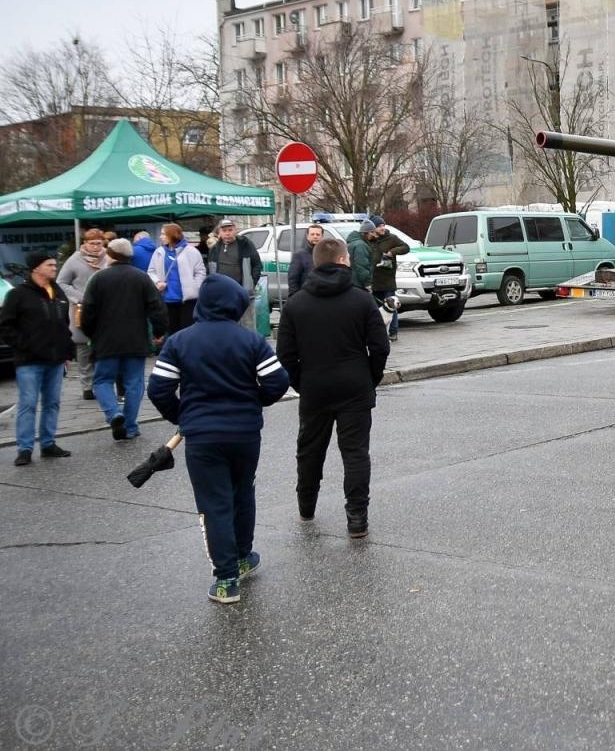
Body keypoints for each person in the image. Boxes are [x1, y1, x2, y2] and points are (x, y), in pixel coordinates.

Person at [147, 275, 291, 604]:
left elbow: (158, 389)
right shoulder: (251, 341)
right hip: (245, 433)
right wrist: (255, 402)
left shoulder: (179, 342)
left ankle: (226, 579)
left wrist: (181, 416)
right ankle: (243, 556)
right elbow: (278, 382)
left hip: (202, 436)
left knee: (215, 504)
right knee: (242, 493)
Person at [277, 236, 390, 538]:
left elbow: (285, 355)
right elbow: (380, 346)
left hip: (314, 387)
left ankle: (306, 506)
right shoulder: (362, 300)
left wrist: (301, 382)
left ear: (316, 263)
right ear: (342, 260)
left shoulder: (296, 304)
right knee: (355, 453)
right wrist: (370, 378)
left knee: (309, 451)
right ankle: (357, 518)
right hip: (355, 385)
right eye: (348, 258)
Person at [79, 238, 167, 441]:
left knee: (102, 380)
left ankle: (114, 413)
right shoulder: (142, 278)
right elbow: (157, 308)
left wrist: (91, 333)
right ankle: (130, 426)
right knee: (134, 383)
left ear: (111, 255)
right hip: (136, 340)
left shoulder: (98, 279)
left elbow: (88, 311)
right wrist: (159, 331)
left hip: (106, 340)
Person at [0, 251, 75, 466]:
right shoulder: (18, 294)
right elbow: (5, 325)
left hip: (55, 360)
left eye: (54, 265)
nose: (54, 268)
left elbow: (63, 325)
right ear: (36, 268)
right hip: (29, 361)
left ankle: (48, 444)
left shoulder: (57, 292)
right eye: (49, 265)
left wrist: (66, 351)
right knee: (28, 404)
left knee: (52, 403)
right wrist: (24, 345)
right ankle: (25, 448)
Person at [57, 228, 109, 401]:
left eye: (99, 243)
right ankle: (87, 386)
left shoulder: (108, 258)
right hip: (81, 309)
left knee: (104, 345)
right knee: (83, 347)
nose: (95, 247)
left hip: (104, 308)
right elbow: (61, 282)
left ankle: (103, 383)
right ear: (85, 243)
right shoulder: (74, 259)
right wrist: (79, 297)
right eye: (92, 243)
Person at [148, 223, 206, 334]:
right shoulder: (159, 252)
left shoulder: (191, 251)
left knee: (187, 332)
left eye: (163, 234)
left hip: (187, 300)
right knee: (172, 332)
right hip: (167, 299)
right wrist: (157, 282)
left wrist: (195, 287)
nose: (160, 237)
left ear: (172, 235)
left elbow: (200, 272)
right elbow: (151, 271)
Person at [365, 216, 410, 340]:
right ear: (373, 228)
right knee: (375, 309)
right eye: (379, 226)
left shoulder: (391, 238)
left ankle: (393, 332)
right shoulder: (369, 239)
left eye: (383, 225)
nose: (382, 228)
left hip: (387, 279)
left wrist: (392, 252)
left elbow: (406, 247)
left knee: (392, 306)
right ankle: (377, 333)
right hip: (373, 280)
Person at [207, 218, 263, 293]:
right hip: (220, 291)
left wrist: (251, 283)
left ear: (235, 231)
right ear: (219, 233)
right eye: (224, 231)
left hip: (241, 290)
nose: (227, 233)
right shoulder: (214, 249)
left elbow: (257, 265)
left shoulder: (245, 245)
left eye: (230, 230)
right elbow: (209, 270)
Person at [287, 223, 325, 297]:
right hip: (305, 296)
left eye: (318, 234)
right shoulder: (299, 255)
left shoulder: (327, 254)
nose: (315, 236)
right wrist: (295, 297)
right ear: (307, 236)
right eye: (312, 234)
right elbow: (293, 279)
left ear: (322, 237)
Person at [345, 220, 375, 292]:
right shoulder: (360, 245)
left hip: (351, 281)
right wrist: (367, 283)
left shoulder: (352, 243)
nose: (373, 234)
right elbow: (362, 266)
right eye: (372, 232)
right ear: (366, 232)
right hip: (358, 283)